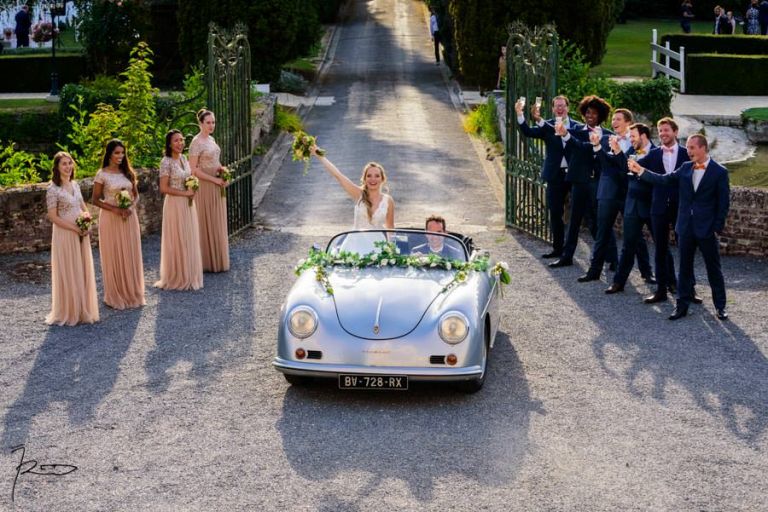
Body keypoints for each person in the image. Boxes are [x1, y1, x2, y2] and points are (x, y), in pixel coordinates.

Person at [629, 134, 730, 321]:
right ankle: (681, 306)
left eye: (692, 148)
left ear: (703, 148)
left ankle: (721, 306)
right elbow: (663, 180)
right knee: (684, 268)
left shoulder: (719, 172)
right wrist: (641, 171)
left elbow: (723, 204)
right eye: (688, 147)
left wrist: (716, 227)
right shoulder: (685, 168)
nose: (688, 151)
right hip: (685, 228)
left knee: (713, 268)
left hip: (706, 228)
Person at [578, 111, 654, 284]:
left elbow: (629, 166)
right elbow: (605, 166)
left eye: (618, 119)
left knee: (636, 236)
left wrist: (619, 156)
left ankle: (646, 272)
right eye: (612, 119)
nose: (614, 122)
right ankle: (594, 271)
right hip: (608, 192)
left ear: (628, 122)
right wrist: (597, 147)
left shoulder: (636, 142)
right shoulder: (605, 140)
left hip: (629, 193)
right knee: (602, 232)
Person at [515, 95, 582, 260]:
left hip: (574, 175)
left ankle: (584, 252)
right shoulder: (547, 126)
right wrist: (520, 114)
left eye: (563, 106)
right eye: (557, 106)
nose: (560, 108)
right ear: (552, 109)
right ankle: (558, 248)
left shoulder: (578, 127)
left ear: (568, 107)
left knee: (579, 213)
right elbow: (527, 131)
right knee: (555, 212)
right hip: (555, 175)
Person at [551, 95, 612, 268]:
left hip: (597, 183)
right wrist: (566, 136)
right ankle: (566, 256)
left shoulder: (608, 136)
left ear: (601, 115)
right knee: (574, 221)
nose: (589, 116)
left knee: (599, 221)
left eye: (593, 113)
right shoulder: (576, 131)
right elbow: (575, 146)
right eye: (587, 113)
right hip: (579, 182)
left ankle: (610, 257)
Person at [45, 152, 99, 326]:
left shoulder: (75, 184)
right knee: (70, 268)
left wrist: (87, 222)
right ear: (57, 167)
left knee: (81, 267)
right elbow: (53, 217)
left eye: (70, 163)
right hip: (65, 233)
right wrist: (74, 228)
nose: (68, 167)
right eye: (64, 164)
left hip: (80, 231)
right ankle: (70, 309)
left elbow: (83, 206)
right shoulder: (53, 189)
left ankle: (83, 308)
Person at [604, 123, 658, 294]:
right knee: (628, 245)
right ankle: (619, 282)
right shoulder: (632, 151)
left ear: (643, 136)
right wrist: (615, 151)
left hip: (651, 206)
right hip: (632, 204)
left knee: (661, 246)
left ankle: (670, 282)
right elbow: (621, 166)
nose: (631, 139)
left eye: (633, 136)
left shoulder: (657, 153)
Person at [92, 139, 146, 310]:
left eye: (122, 153)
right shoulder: (102, 174)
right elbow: (95, 199)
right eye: (117, 153)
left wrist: (130, 206)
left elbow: (136, 195)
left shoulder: (128, 172)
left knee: (130, 251)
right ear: (109, 154)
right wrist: (115, 210)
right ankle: (115, 293)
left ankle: (132, 291)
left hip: (129, 217)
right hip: (110, 218)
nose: (120, 156)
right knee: (114, 252)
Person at [154, 129, 204, 291]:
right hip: (175, 204)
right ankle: (177, 275)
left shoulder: (183, 158)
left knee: (189, 236)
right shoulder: (166, 162)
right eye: (176, 140)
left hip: (188, 203)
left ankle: (189, 273)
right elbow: (163, 188)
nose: (180, 143)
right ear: (169, 143)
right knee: (178, 237)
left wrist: (193, 187)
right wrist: (185, 193)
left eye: (182, 140)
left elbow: (188, 177)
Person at [310, 147, 395, 229]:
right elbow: (338, 175)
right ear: (364, 179)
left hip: (378, 242)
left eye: (377, 176)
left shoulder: (388, 200)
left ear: (382, 179)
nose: (373, 179)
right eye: (369, 176)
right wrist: (319, 154)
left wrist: (391, 243)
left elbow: (390, 228)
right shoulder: (359, 194)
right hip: (357, 240)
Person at [189, 108, 230, 273]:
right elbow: (193, 169)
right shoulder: (196, 142)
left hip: (217, 183)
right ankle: (206, 260)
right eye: (208, 123)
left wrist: (223, 171)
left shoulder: (211, 139)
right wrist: (214, 180)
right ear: (200, 123)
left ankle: (218, 258)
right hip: (205, 186)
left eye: (213, 122)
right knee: (205, 219)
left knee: (216, 218)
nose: (211, 125)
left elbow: (216, 160)